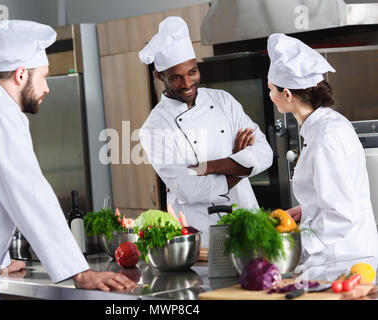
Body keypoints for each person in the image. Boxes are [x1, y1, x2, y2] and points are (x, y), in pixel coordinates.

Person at [0, 20, 135, 300]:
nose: (46, 88)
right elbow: (28, 193)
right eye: (43, 76)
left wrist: (0, 261)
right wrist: (80, 272)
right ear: (21, 74)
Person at [138, 17, 273, 247]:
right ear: (160, 76)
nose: (187, 83)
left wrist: (209, 166)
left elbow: (265, 154)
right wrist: (240, 163)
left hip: (248, 219)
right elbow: (189, 191)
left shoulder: (223, 101)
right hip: (201, 232)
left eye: (192, 72)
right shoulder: (154, 128)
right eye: (176, 77)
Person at [266, 33, 378, 269]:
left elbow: (341, 214)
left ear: (287, 94)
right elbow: (335, 195)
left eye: (271, 90)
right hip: (339, 254)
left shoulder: (325, 138)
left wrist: (293, 244)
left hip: (341, 260)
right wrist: (306, 209)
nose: (269, 96)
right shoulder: (324, 126)